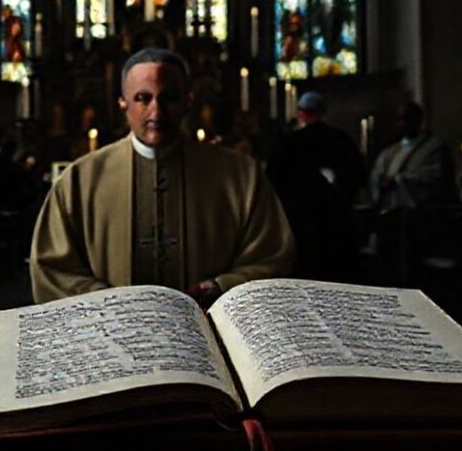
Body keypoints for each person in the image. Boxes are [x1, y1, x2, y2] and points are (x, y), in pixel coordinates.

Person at [30, 48, 295, 307]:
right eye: (143, 98)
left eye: (169, 98)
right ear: (122, 102)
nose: (156, 112)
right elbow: (52, 267)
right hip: (110, 336)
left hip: (211, 331)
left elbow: (272, 254)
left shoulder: (241, 176)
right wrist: (107, 301)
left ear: (188, 100)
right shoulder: (79, 180)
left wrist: (221, 286)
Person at [266, 91, 364, 282]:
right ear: (322, 112)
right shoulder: (341, 140)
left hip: (301, 227)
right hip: (337, 227)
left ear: (300, 113)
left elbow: (273, 184)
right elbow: (357, 177)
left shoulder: (287, 144)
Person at [370, 101, 454, 212]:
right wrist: (379, 180)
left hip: (422, 213)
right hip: (392, 209)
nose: (402, 124)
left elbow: (433, 179)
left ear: (418, 120)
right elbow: (376, 174)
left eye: (406, 119)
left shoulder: (433, 148)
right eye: (399, 119)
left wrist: (398, 181)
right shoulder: (390, 151)